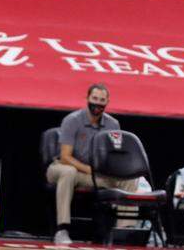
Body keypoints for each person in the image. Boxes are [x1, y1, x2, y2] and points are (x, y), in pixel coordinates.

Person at [46, 84, 141, 246]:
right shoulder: (72, 120)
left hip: (96, 174)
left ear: (107, 102)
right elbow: (65, 157)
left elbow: (114, 155)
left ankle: (124, 233)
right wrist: (91, 170)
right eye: (95, 98)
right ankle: (62, 229)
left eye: (102, 100)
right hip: (65, 168)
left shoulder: (113, 125)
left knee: (129, 179)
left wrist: (111, 171)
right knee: (68, 172)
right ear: (87, 98)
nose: (98, 103)